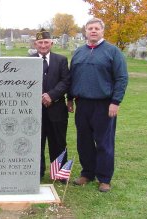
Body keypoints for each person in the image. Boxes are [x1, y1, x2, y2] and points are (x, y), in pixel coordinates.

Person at [67, 18, 128, 192]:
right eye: (90, 28)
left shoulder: (112, 52)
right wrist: (69, 99)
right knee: (84, 141)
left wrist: (115, 102)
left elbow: (122, 78)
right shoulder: (79, 52)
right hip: (82, 104)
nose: (93, 31)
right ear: (85, 31)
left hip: (104, 104)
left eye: (96, 28)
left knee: (104, 142)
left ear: (102, 31)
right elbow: (73, 78)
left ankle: (104, 178)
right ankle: (87, 173)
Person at [32, 28, 70, 180]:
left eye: (46, 42)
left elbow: (66, 81)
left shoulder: (61, 60)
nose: (43, 45)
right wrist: (41, 95)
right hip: (35, 109)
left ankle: (59, 173)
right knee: (36, 143)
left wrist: (51, 95)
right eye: (40, 42)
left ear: (51, 43)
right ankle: (36, 172)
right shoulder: (28, 60)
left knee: (58, 142)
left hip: (57, 109)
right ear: (35, 44)